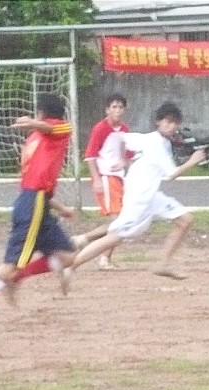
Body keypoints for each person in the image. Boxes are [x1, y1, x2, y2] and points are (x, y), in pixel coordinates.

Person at [0, 93, 75, 347]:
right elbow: (32, 184)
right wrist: (35, 123)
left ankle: (18, 277)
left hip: (38, 202)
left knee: (67, 257)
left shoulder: (36, 137)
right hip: (32, 204)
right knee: (9, 268)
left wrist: (59, 207)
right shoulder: (50, 131)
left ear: (40, 112)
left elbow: (34, 180)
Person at [65, 101, 206, 283]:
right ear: (159, 122)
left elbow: (123, 139)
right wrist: (192, 161)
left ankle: (163, 264)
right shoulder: (155, 143)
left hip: (151, 195)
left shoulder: (148, 138)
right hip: (139, 198)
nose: (172, 126)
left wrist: (124, 160)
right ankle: (71, 266)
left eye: (175, 123)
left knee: (185, 220)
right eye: (168, 121)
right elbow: (171, 174)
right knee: (115, 238)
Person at [76, 93, 131, 270]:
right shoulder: (100, 128)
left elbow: (129, 153)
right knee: (118, 221)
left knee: (121, 222)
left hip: (119, 177)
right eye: (114, 107)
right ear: (107, 110)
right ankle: (87, 242)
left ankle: (96, 250)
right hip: (106, 177)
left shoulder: (125, 129)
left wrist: (124, 161)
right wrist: (97, 179)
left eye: (120, 107)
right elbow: (90, 155)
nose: (117, 110)